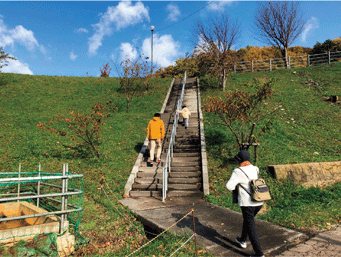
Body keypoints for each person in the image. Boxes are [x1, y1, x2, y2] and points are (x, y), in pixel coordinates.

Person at [226, 150, 264, 257]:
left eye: (239, 161)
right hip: (259, 201)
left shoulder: (238, 171)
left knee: (251, 228)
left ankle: (259, 254)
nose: (237, 163)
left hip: (248, 204)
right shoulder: (256, 168)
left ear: (243, 161)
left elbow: (229, 187)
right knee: (248, 221)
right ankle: (242, 240)